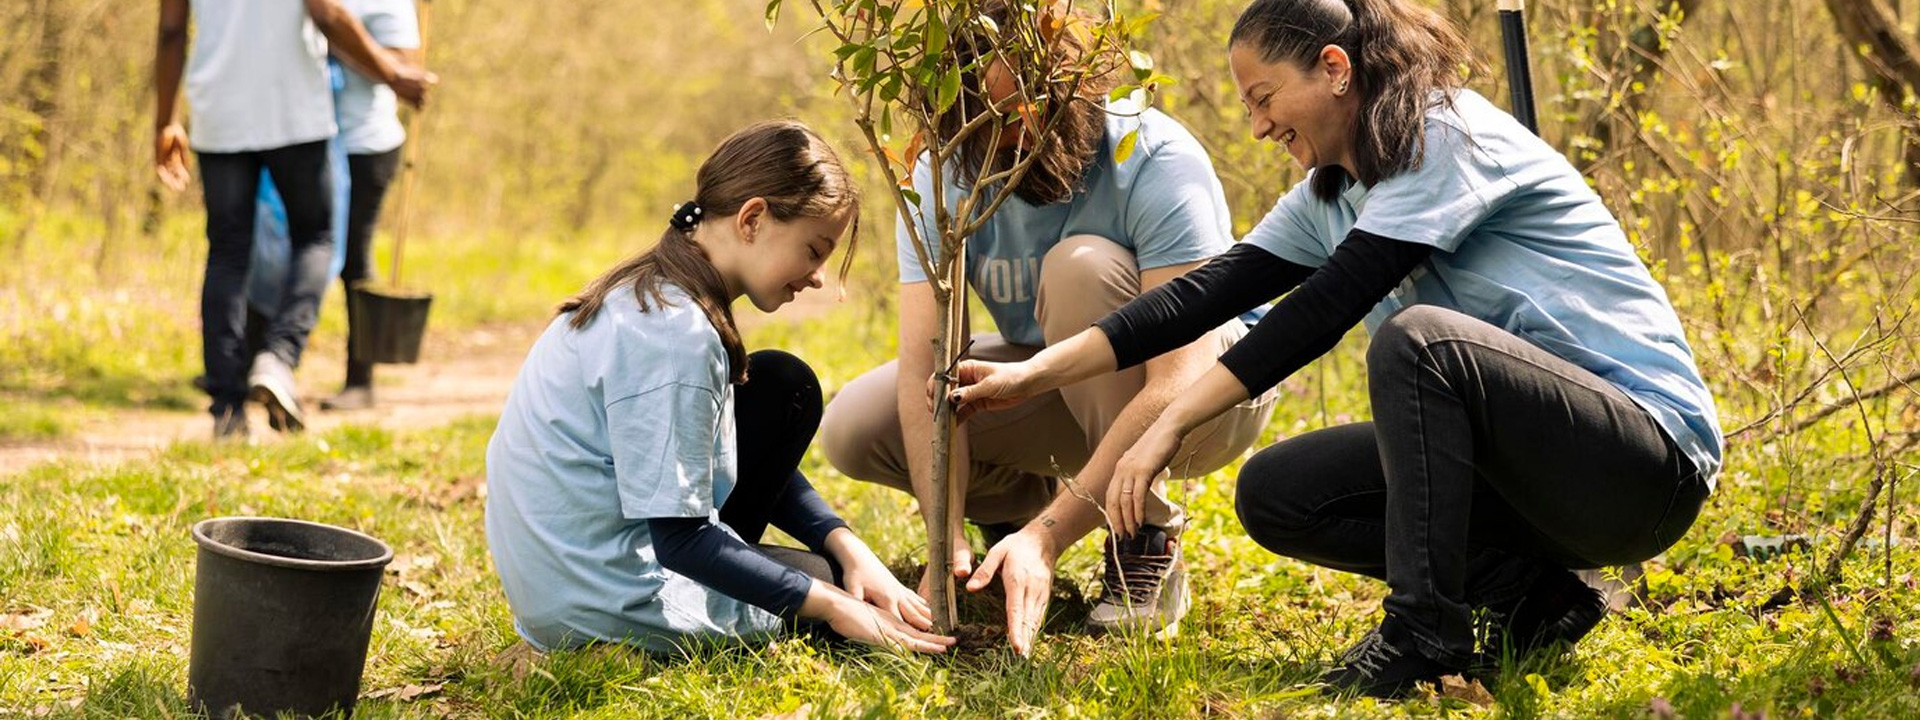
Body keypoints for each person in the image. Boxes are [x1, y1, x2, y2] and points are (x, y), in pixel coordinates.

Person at [950, 0, 1723, 696]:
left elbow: (1325, 306)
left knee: (1418, 343)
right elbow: (1202, 296)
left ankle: (1424, 633)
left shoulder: (1445, 133)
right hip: (1536, 475)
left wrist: (1166, 423)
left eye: (1264, 98)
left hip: (1641, 466)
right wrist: (1036, 370)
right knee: (1279, 493)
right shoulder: (1333, 189)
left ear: (1334, 68)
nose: (1257, 126)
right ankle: (1540, 594)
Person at [817, 0, 1275, 645]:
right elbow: (928, 363)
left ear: (1075, 87)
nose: (1013, 134)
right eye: (987, 119)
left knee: (1079, 269)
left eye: (1031, 105)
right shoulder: (944, 170)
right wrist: (942, 532)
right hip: (1062, 382)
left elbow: (1182, 373)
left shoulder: (1153, 155)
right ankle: (1007, 523)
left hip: (1208, 394)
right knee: (858, 425)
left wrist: (1052, 539)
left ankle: (1141, 535)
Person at [485, 121, 952, 655]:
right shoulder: (674, 336)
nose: (818, 275)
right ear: (752, 219)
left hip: (567, 580)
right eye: (813, 250)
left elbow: (706, 449)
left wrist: (844, 543)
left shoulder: (657, 291)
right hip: (598, 599)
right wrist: (832, 603)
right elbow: (680, 540)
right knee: (829, 596)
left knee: (782, 386)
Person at [155, 0, 435, 439]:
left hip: (219, 113)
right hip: (295, 112)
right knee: (317, 237)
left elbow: (172, 30)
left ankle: (227, 410)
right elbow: (326, 14)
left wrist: (165, 120)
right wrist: (392, 73)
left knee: (228, 253)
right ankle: (278, 357)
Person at [321, 0, 426, 412]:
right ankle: (252, 365)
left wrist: (333, 38)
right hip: (306, 139)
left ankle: (360, 381)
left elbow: (405, 69)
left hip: (365, 144)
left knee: (353, 256)